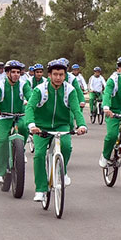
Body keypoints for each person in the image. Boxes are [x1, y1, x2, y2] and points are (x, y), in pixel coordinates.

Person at [26, 58, 87, 202]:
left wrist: (82, 125)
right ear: (49, 75)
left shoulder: (70, 90)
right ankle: (40, 189)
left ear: (65, 75)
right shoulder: (40, 89)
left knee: (66, 146)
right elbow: (30, 107)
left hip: (62, 125)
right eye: (55, 74)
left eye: (61, 74)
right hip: (41, 127)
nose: (58, 77)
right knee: (39, 154)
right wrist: (31, 125)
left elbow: (76, 109)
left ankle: (62, 172)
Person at [0, 60, 29, 186]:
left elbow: (32, 95)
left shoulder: (24, 84)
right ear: (7, 73)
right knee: (3, 140)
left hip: (20, 114)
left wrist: (35, 104)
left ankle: (20, 151)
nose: (16, 74)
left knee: (24, 127)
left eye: (18, 72)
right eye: (13, 72)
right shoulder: (0, 85)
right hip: (3, 116)